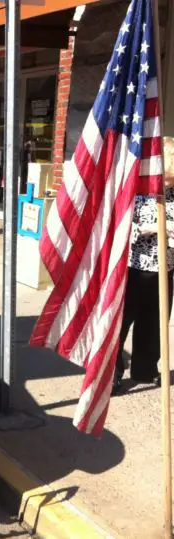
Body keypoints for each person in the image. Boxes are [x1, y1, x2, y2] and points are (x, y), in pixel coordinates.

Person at [113, 136, 174, 395]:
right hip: (134, 269)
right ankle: (112, 373)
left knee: (154, 323)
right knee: (122, 323)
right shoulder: (138, 191)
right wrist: (152, 228)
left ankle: (145, 368)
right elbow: (123, 227)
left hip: (165, 268)